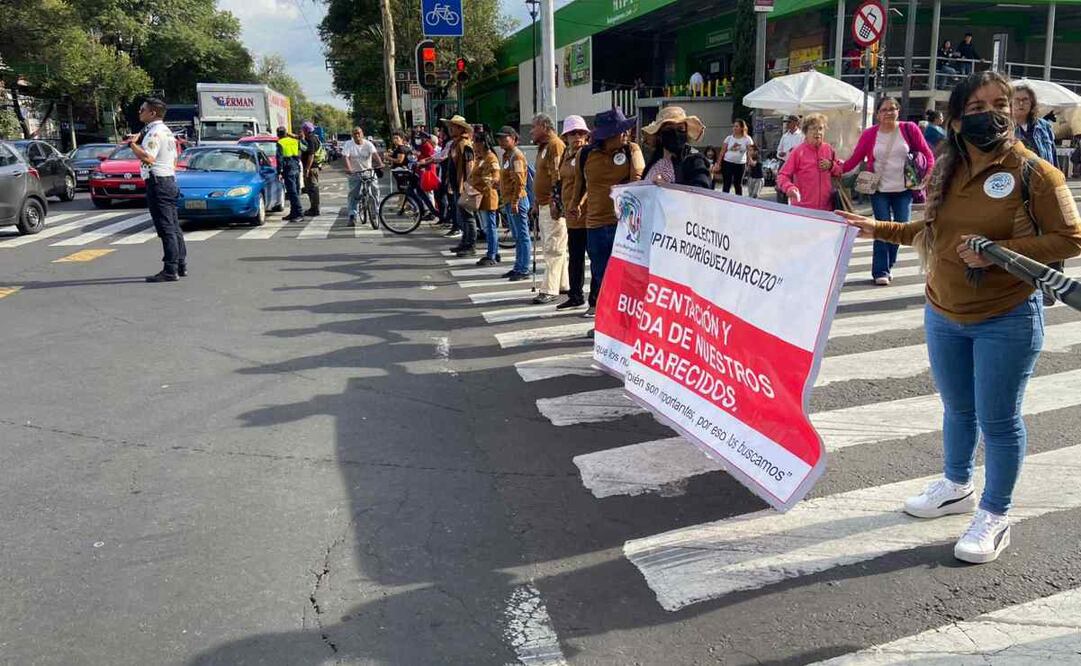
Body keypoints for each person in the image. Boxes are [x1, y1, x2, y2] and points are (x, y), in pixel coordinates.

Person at [837, 71, 1081, 564]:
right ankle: (955, 486)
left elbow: (1072, 239)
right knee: (957, 409)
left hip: (1006, 316)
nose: (991, 115)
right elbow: (932, 232)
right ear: (954, 121)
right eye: (976, 108)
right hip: (943, 312)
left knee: (999, 421)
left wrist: (997, 252)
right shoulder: (947, 168)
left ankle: (995, 513)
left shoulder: (1035, 173)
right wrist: (874, 228)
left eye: (1000, 104)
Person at [843, 97, 936, 284]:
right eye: (884, 110)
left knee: (902, 227)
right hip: (879, 190)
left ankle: (889, 263)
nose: (888, 113)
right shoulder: (870, 134)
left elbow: (928, 154)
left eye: (892, 109)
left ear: (898, 111)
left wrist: (928, 174)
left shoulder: (909, 129)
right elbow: (855, 158)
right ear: (878, 114)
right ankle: (881, 271)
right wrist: (836, 168)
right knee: (881, 228)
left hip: (904, 190)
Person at [568, 107, 644, 318]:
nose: (625, 134)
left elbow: (638, 181)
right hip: (595, 225)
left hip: (624, 226)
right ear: (607, 135)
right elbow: (580, 184)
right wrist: (574, 205)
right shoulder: (585, 154)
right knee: (601, 276)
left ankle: (625, 321)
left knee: (626, 279)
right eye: (621, 131)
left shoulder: (631, 150)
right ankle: (607, 321)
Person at [128, 97, 185, 282]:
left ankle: (170, 269)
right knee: (174, 226)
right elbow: (174, 159)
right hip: (168, 179)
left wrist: (132, 145)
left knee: (166, 228)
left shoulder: (154, 133)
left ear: (152, 113)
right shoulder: (166, 132)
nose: (139, 112)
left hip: (158, 182)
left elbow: (148, 157)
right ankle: (180, 264)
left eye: (142, 110)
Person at [530, 113, 569, 304]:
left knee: (553, 247)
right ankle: (562, 283)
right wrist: (536, 202)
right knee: (555, 244)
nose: (531, 131)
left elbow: (557, 176)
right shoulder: (543, 147)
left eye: (534, 127)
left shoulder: (555, 145)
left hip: (552, 204)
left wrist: (555, 201)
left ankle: (549, 289)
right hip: (543, 202)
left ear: (544, 127)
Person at [555, 115, 590, 310]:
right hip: (570, 213)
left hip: (587, 213)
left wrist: (579, 203)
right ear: (566, 137)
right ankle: (575, 295)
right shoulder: (566, 155)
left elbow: (588, 183)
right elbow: (561, 182)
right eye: (573, 133)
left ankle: (597, 298)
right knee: (575, 257)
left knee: (593, 257)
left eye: (581, 133)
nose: (577, 137)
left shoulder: (586, 154)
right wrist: (557, 202)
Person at [777, 113, 842, 211]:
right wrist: (789, 188)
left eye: (821, 128)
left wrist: (831, 165)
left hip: (827, 209)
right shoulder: (798, 151)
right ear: (805, 132)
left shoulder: (828, 149)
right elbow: (782, 175)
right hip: (803, 209)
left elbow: (840, 171)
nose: (818, 132)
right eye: (813, 128)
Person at [640, 106, 711, 188]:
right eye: (669, 129)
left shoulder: (694, 160)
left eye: (680, 128)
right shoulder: (654, 161)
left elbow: (701, 187)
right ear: (659, 134)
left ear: (686, 132)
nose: (675, 134)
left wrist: (669, 188)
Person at [495, 126, 532, 281]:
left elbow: (520, 182)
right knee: (517, 236)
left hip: (517, 200)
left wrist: (515, 201)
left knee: (522, 236)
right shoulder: (506, 156)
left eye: (505, 138)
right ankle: (518, 266)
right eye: (499, 138)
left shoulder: (516, 156)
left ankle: (524, 269)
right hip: (509, 200)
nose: (501, 141)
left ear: (514, 139)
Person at [441, 115, 477, 256]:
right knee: (461, 216)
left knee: (467, 216)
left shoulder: (465, 144)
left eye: (454, 126)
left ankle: (470, 245)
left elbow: (469, 166)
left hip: (464, 186)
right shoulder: (455, 144)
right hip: (456, 185)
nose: (450, 129)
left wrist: (468, 185)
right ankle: (464, 242)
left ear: (461, 128)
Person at [470, 126, 502, 267]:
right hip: (480, 196)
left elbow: (496, 174)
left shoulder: (490, 157)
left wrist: (491, 180)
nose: (473, 144)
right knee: (485, 227)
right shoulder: (480, 157)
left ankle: (492, 254)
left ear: (482, 143)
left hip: (488, 196)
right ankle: (494, 251)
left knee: (490, 227)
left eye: (476, 141)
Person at [1012, 84, 1057, 165]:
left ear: (1032, 103)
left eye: (1025, 100)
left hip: (1044, 171)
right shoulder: (1005, 128)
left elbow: (1054, 156)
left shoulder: (1044, 126)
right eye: (1017, 100)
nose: (1021, 103)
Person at [342, 126, 378, 225]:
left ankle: (375, 211)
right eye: (355, 133)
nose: (357, 135)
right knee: (353, 193)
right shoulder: (348, 144)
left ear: (362, 134)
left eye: (359, 133)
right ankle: (352, 216)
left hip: (368, 171)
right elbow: (345, 157)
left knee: (375, 189)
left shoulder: (368, 144)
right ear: (352, 135)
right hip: (355, 172)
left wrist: (380, 163)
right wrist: (349, 169)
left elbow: (375, 155)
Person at [717, 119, 753, 195]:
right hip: (727, 163)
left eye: (737, 126)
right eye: (734, 126)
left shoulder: (747, 139)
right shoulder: (729, 138)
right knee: (727, 183)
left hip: (740, 164)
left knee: (738, 184)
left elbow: (750, 152)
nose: (734, 128)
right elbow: (722, 152)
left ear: (742, 128)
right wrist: (718, 163)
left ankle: (739, 200)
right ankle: (725, 199)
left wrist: (750, 161)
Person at [276, 126, 304, 222]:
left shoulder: (280, 143)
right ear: (286, 133)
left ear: (278, 134)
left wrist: (279, 171)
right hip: (296, 166)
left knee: (292, 192)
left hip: (288, 168)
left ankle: (299, 214)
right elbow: (301, 151)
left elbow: (279, 158)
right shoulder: (294, 141)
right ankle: (293, 213)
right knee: (295, 191)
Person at [774, 115, 804, 203]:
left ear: (796, 123)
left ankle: (796, 204)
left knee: (796, 186)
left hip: (797, 165)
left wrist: (795, 151)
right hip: (784, 163)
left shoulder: (801, 136)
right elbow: (778, 151)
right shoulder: (785, 136)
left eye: (789, 122)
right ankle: (781, 205)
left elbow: (804, 151)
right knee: (781, 185)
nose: (787, 124)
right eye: (786, 122)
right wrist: (780, 154)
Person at [300, 121, 321, 217]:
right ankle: (313, 208)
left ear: (306, 130)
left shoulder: (311, 140)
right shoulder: (313, 137)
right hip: (313, 168)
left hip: (311, 168)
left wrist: (307, 169)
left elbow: (311, 155)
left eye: (303, 129)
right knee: (310, 189)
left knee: (312, 189)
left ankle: (315, 209)